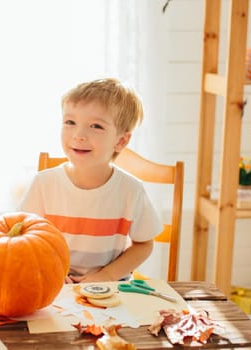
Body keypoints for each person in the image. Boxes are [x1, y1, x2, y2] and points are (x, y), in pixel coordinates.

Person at [19, 78, 162, 284]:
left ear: (120, 141)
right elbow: (25, 239)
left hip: (110, 289)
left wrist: (106, 276)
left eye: (96, 126)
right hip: (53, 286)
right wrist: (52, 271)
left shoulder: (131, 190)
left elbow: (144, 244)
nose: (79, 135)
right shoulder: (44, 184)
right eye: (70, 122)